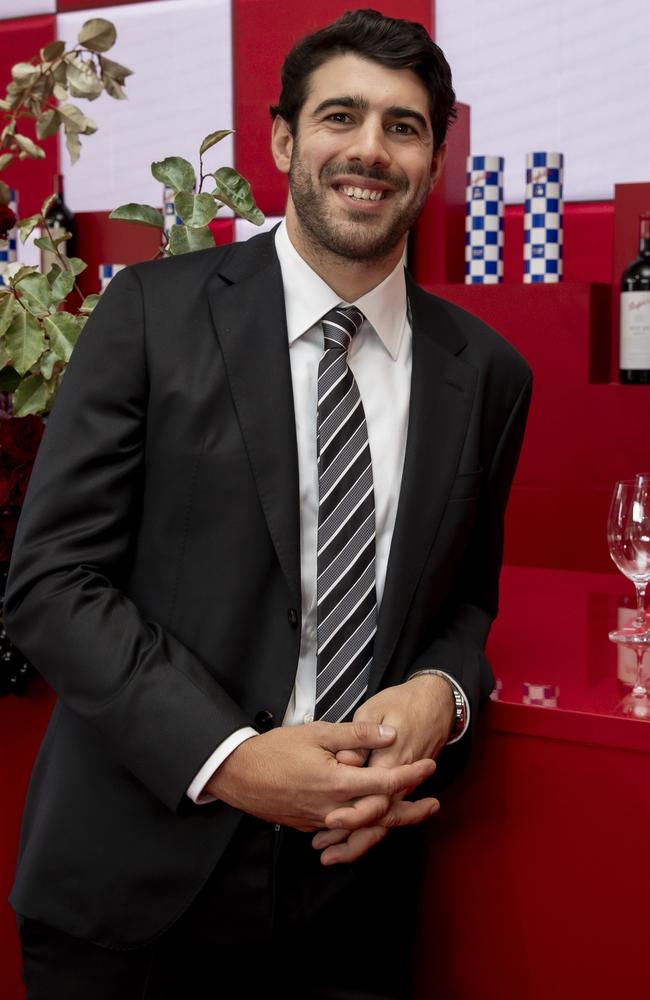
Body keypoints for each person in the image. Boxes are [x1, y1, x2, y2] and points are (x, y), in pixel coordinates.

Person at [5, 9, 531, 999]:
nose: (368, 149)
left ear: (431, 157)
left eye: (403, 126)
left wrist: (445, 694)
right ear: (285, 139)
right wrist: (232, 758)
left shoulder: (488, 374)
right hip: (133, 896)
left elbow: (463, 604)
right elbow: (50, 584)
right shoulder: (149, 315)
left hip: (353, 903)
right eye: (340, 116)